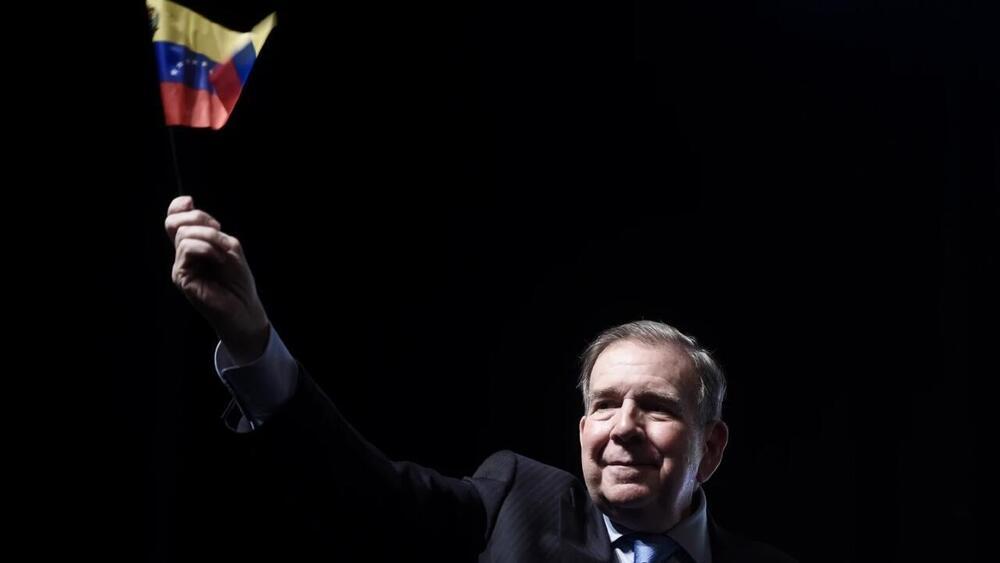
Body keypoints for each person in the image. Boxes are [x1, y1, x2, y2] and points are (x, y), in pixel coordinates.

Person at [165, 195, 797, 562]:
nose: (623, 428)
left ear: (710, 448)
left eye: (656, 408)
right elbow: (362, 487)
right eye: (605, 406)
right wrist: (253, 342)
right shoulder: (514, 499)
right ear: (582, 429)